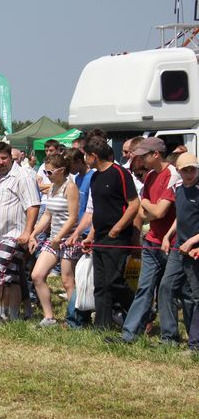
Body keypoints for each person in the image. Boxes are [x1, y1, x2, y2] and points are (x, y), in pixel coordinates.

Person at [120, 138, 181, 343]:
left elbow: (159, 212)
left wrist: (146, 204)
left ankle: (169, 337)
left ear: (156, 154)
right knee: (144, 288)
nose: (140, 160)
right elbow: (145, 213)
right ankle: (129, 334)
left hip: (171, 244)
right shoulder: (150, 177)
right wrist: (149, 209)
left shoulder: (172, 174)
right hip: (151, 241)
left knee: (167, 290)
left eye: (144, 155)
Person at [80, 138, 139, 331]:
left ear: (93, 156)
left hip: (117, 237)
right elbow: (98, 209)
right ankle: (101, 325)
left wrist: (118, 228)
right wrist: (90, 236)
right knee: (101, 284)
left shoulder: (120, 174)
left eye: (86, 156)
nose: (85, 159)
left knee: (116, 281)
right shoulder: (95, 177)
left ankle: (140, 315)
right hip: (100, 238)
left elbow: (134, 204)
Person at [0, 142, 41, 321]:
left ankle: (3, 313)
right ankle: (13, 315)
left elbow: (33, 205)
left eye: (4, 158)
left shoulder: (22, 176)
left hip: (14, 235)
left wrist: (28, 231)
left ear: (10, 157)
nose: (1, 162)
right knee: (12, 278)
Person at [28, 154, 80, 327]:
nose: (47, 175)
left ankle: (74, 318)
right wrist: (33, 233)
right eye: (45, 171)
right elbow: (47, 215)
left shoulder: (70, 187)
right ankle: (49, 317)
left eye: (49, 172)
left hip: (68, 240)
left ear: (61, 170)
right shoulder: (52, 188)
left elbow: (73, 218)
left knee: (67, 281)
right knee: (37, 275)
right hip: (53, 240)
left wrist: (59, 237)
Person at [159, 153, 199, 351]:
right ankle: (169, 337)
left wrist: (191, 242)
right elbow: (180, 218)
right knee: (166, 287)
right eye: (185, 170)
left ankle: (195, 343)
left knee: (194, 295)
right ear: (179, 171)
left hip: (195, 251)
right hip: (178, 248)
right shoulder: (180, 190)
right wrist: (168, 236)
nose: (190, 174)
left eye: (193, 169)